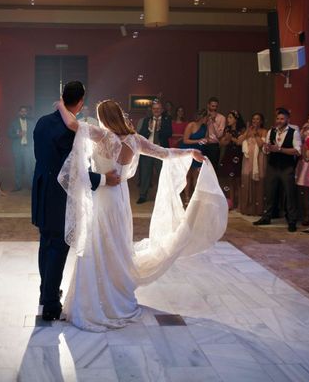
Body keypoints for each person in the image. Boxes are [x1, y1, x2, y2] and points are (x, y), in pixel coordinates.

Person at [55, 98, 226, 332]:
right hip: (121, 199)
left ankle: (97, 298)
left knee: (98, 244)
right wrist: (191, 152)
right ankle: (118, 295)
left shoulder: (102, 136)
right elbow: (165, 153)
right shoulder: (136, 140)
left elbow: (72, 124)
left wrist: (62, 105)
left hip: (104, 196)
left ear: (104, 118)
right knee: (118, 243)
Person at [32, 81, 121, 322]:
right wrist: (104, 179)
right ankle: (51, 305)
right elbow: (74, 173)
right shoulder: (74, 131)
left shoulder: (41, 122)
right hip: (60, 195)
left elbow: (42, 159)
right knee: (58, 249)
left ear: (63, 97)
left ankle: (45, 293)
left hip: (41, 192)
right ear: (80, 102)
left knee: (46, 244)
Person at [253, 108, 302, 232]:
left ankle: (292, 221)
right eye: (278, 118)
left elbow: (297, 151)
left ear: (287, 120)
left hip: (287, 167)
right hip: (273, 166)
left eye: (282, 119)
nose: (279, 121)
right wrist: (267, 148)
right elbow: (266, 148)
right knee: (269, 193)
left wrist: (280, 149)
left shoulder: (294, 132)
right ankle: (266, 217)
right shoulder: (272, 131)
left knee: (289, 194)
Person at [136, 100, 172, 204]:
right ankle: (143, 196)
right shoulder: (146, 120)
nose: (156, 110)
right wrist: (149, 129)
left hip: (160, 151)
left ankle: (164, 197)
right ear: (152, 110)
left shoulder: (167, 119)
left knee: (162, 174)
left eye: (158, 109)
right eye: (154, 109)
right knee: (145, 174)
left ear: (162, 110)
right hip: (148, 150)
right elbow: (141, 135)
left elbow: (169, 134)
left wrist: (160, 129)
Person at [239, 113, 267, 216]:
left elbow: (261, 144)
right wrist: (247, 132)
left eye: (258, 119)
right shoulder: (248, 130)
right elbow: (239, 142)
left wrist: (255, 134)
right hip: (247, 159)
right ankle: (247, 209)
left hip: (259, 158)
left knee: (258, 182)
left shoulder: (264, 131)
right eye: (253, 119)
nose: (255, 121)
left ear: (261, 121)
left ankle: (258, 209)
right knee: (246, 181)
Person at [179, 109, 208, 206]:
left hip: (198, 152)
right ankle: (187, 197)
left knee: (196, 176)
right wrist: (198, 140)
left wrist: (205, 140)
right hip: (188, 151)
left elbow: (206, 138)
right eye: (206, 117)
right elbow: (185, 140)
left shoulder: (205, 127)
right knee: (187, 175)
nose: (207, 119)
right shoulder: (191, 125)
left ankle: (195, 198)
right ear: (202, 117)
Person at [219, 110, 246, 208]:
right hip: (229, 154)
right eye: (228, 117)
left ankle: (239, 203)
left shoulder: (242, 130)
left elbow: (240, 142)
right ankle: (231, 203)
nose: (228, 119)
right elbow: (222, 143)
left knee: (238, 180)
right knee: (229, 179)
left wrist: (231, 138)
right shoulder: (227, 129)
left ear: (236, 119)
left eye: (230, 117)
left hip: (238, 155)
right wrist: (225, 139)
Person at [8, 106, 34, 191]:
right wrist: (17, 135)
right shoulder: (14, 123)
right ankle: (18, 186)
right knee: (18, 167)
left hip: (28, 148)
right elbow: (9, 134)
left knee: (28, 167)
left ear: (27, 113)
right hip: (17, 148)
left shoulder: (31, 123)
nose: (23, 113)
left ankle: (31, 185)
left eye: (25, 111)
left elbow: (35, 135)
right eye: (22, 111)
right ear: (19, 112)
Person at [203, 97, 225, 171]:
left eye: (216, 106)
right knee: (202, 168)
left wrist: (213, 121)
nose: (214, 108)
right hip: (202, 144)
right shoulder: (202, 116)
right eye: (212, 106)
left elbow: (219, 135)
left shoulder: (221, 118)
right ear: (208, 105)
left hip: (213, 146)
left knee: (213, 169)